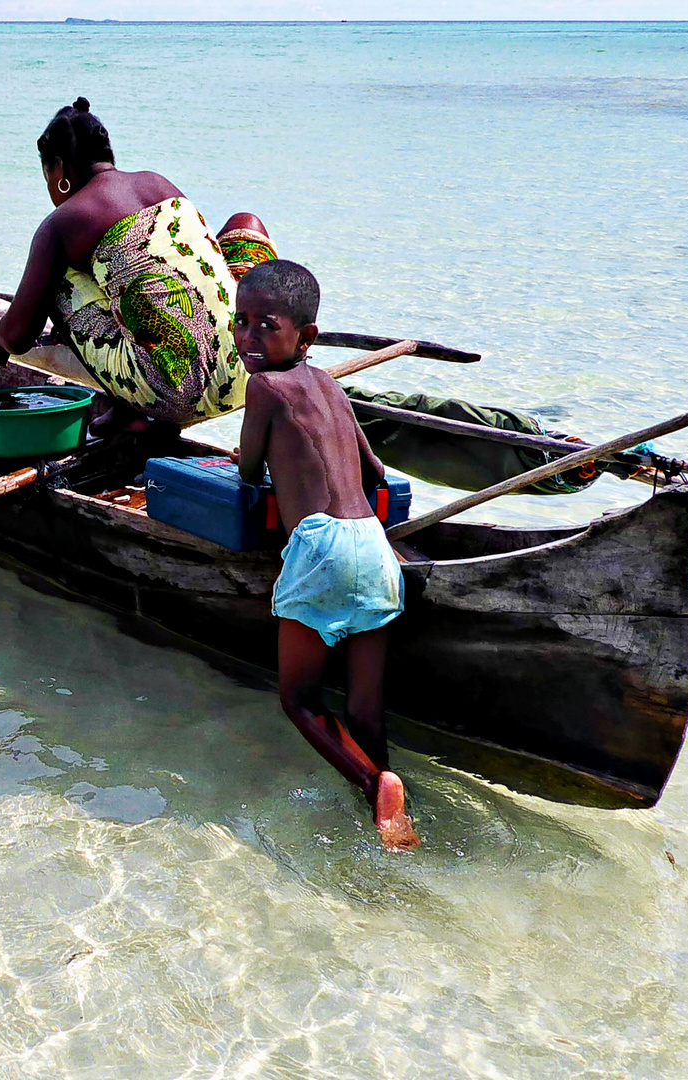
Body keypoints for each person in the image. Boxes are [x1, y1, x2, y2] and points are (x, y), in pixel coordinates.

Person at [233, 260, 419, 851]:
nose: (247, 339)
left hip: (319, 548)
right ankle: (393, 818)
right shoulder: (334, 386)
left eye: (265, 327)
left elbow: (245, 466)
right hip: (374, 547)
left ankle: (372, 782)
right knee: (366, 711)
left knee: (299, 700)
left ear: (305, 337)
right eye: (240, 325)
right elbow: (376, 472)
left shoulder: (263, 387)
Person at [0, 98, 278, 432]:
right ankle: (280, 355)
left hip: (175, 395)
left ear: (59, 170)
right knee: (245, 222)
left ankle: (128, 411)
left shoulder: (61, 224)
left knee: (55, 279)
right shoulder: (156, 182)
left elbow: (20, 336)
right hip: (250, 369)